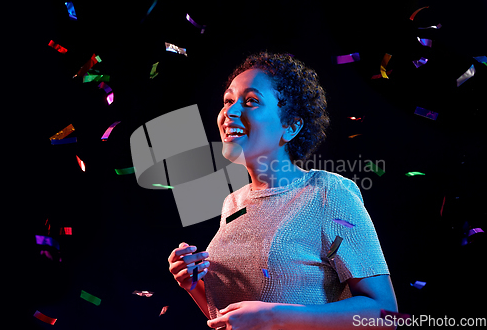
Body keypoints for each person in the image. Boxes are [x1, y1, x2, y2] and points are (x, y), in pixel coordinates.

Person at [168, 52, 397, 329]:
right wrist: (192, 285)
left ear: (291, 126)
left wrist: (274, 316)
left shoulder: (328, 193)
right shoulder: (233, 203)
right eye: (228, 100)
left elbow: (384, 315)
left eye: (251, 101)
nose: (229, 111)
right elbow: (232, 320)